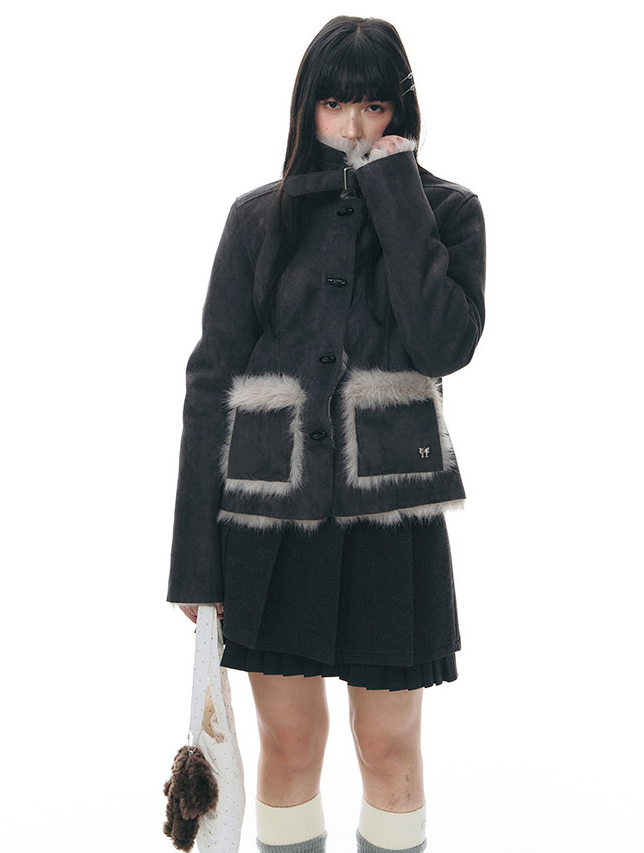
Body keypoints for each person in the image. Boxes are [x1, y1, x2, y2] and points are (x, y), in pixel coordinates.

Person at [167, 15, 486, 853]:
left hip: (391, 517)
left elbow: (445, 344)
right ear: (307, 106)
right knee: (289, 744)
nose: (353, 126)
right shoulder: (256, 220)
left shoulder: (449, 213)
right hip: (270, 520)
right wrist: (195, 561)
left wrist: (394, 190)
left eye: (374, 106)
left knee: (388, 746)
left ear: (400, 112)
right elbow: (209, 384)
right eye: (336, 104)